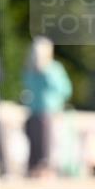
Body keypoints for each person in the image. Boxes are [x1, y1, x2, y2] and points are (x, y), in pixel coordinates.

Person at [22, 36, 72, 177]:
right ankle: (34, 168)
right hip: (33, 111)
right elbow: (27, 86)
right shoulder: (30, 69)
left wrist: (46, 73)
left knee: (47, 144)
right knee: (34, 143)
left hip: (49, 111)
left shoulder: (53, 69)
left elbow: (65, 89)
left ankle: (47, 169)